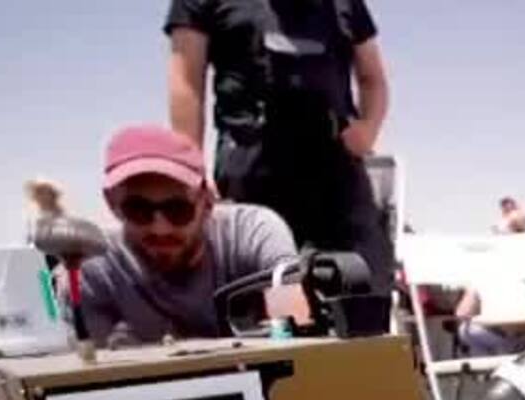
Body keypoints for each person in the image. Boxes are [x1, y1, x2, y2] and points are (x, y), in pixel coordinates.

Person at [165, 0, 395, 292]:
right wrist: (190, 167)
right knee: (260, 301)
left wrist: (368, 129)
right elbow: (186, 79)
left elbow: (372, 77)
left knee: (363, 295)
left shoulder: (345, 4)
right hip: (252, 174)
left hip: (336, 173)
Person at [79, 125, 299, 346]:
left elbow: (297, 335)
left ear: (207, 201)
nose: (160, 228)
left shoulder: (253, 233)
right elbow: (92, 364)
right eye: (139, 210)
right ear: (111, 202)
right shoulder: (95, 264)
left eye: (178, 209)